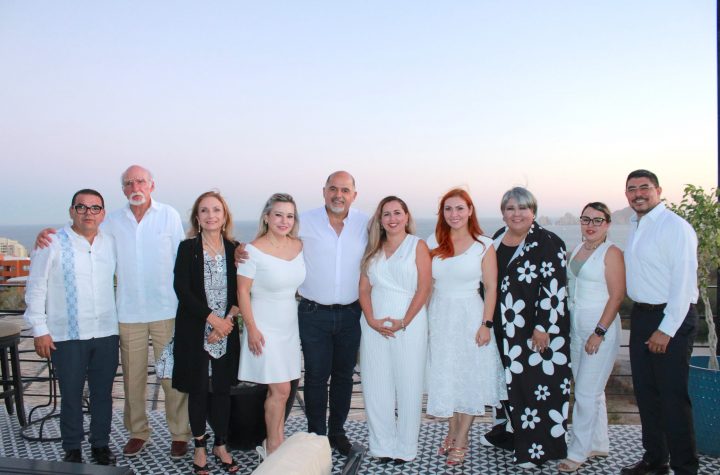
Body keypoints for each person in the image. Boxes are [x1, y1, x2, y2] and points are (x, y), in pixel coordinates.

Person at [34, 165, 191, 458]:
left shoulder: (168, 215)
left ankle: (180, 434)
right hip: (127, 313)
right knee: (132, 379)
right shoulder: (112, 221)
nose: (135, 187)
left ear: (152, 185)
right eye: (129, 183)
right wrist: (46, 236)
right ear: (123, 189)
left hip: (166, 309)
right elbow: (83, 229)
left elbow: (182, 257)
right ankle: (138, 431)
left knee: (171, 376)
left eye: (140, 181)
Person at [24, 189, 119, 465]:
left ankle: (100, 445)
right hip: (67, 335)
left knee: (103, 394)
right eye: (82, 207)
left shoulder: (110, 243)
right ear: (71, 211)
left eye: (95, 208)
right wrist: (39, 329)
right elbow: (36, 286)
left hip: (106, 332)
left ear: (103, 214)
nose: (88, 213)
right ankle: (72, 448)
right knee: (71, 395)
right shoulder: (51, 242)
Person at [480, 187, 571, 469]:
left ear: (533, 211)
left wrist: (543, 327)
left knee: (535, 388)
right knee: (507, 383)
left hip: (532, 329)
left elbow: (554, 289)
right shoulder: (497, 238)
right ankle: (509, 435)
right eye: (510, 208)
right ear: (503, 213)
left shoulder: (548, 242)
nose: (516, 214)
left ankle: (536, 450)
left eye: (523, 208)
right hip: (502, 325)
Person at [621, 170, 699, 475]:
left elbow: (684, 283)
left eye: (645, 187)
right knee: (646, 394)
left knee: (672, 398)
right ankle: (655, 460)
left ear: (658, 190)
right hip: (642, 316)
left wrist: (666, 329)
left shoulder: (675, 227)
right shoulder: (636, 225)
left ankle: (685, 467)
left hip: (670, 318)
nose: (638, 194)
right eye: (632, 189)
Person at [425, 188, 507, 466]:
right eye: (448, 209)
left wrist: (486, 324)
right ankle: (451, 430)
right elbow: (427, 285)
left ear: (470, 210)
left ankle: (461, 440)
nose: (454, 214)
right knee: (447, 376)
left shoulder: (484, 245)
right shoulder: (433, 241)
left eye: (460, 208)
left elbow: (492, 287)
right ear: (442, 213)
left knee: (470, 378)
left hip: (471, 316)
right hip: (440, 316)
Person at [296, 171, 369, 455]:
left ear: (354, 195)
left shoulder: (365, 223)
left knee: (343, 376)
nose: (339, 195)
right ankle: (316, 436)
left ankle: (337, 432)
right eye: (333, 189)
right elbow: (274, 240)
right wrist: (243, 251)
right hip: (313, 313)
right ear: (324, 191)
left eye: (345, 190)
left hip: (351, 314)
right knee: (315, 376)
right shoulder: (304, 221)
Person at [358, 196, 431, 464]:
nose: (392, 219)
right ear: (380, 220)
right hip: (374, 325)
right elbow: (363, 289)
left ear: (406, 216)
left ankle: (406, 448)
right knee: (376, 385)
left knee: (409, 384)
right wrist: (371, 319)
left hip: (409, 323)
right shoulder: (373, 249)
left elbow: (424, 287)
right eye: (386, 214)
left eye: (397, 213)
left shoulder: (417, 245)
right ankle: (382, 446)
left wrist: (404, 321)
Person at [172, 191, 240, 474]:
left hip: (226, 330)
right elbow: (182, 290)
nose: (211, 215)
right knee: (198, 389)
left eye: (216, 210)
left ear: (224, 216)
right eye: (204, 210)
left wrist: (226, 323)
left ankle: (220, 445)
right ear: (197, 218)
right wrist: (213, 320)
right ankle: (200, 446)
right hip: (194, 330)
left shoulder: (235, 249)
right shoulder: (187, 248)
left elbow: (242, 291)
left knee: (223, 390)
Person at [237, 193, 305, 457]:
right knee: (281, 389)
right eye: (278, 215)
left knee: (283, 390)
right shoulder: (252, 251)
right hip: (263, 325)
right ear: (266, 217)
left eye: (289, 216)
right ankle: (273, 446)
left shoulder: (299, 246)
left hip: (289, 324)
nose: (284, 221)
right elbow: (243, 292)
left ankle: (276, 440)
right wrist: (252, 329)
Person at [558, 202, 625, 473]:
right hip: (576, 329)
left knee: (586, 393)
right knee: (592, 391)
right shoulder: (578, 249)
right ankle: (598, 443)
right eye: (586, 219)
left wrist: (599, 332)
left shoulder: (612, 253)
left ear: (607, 224)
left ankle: (577, 453)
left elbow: (617, 296)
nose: (591, 225)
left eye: (598, 220)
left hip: (600, 330)